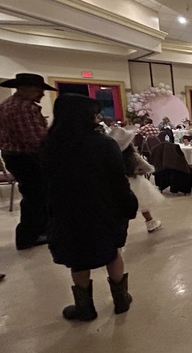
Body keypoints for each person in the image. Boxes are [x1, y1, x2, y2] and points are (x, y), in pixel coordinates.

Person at [42, 94, 138, 321]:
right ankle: (121, 300)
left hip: (67, 210)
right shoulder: (104, 144)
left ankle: (84, 308)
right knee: (112, 250)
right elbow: (118, 180)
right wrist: (128, 204)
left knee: (78, 257)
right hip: (104, 207)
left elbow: (46, 181)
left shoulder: (49, 144)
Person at [0, 73, 54, 250]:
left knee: (33, 195)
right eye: (39, 90)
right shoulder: (24, 107)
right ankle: (30, 236)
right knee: (36, 196)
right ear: (24, 89)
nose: (42, 95)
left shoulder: (6, 104)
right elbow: (35, 140)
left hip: (13, 155)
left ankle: (38, 231)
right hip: (27, 157)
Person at [109, 127, 163, 233]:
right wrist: (140, 170)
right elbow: (149, 168)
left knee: (123, 207)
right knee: (143, 205)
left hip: (120, 184)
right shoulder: (133, 156)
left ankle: (119, 230)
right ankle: (150, 222)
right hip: (136, 182)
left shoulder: (113, 157)